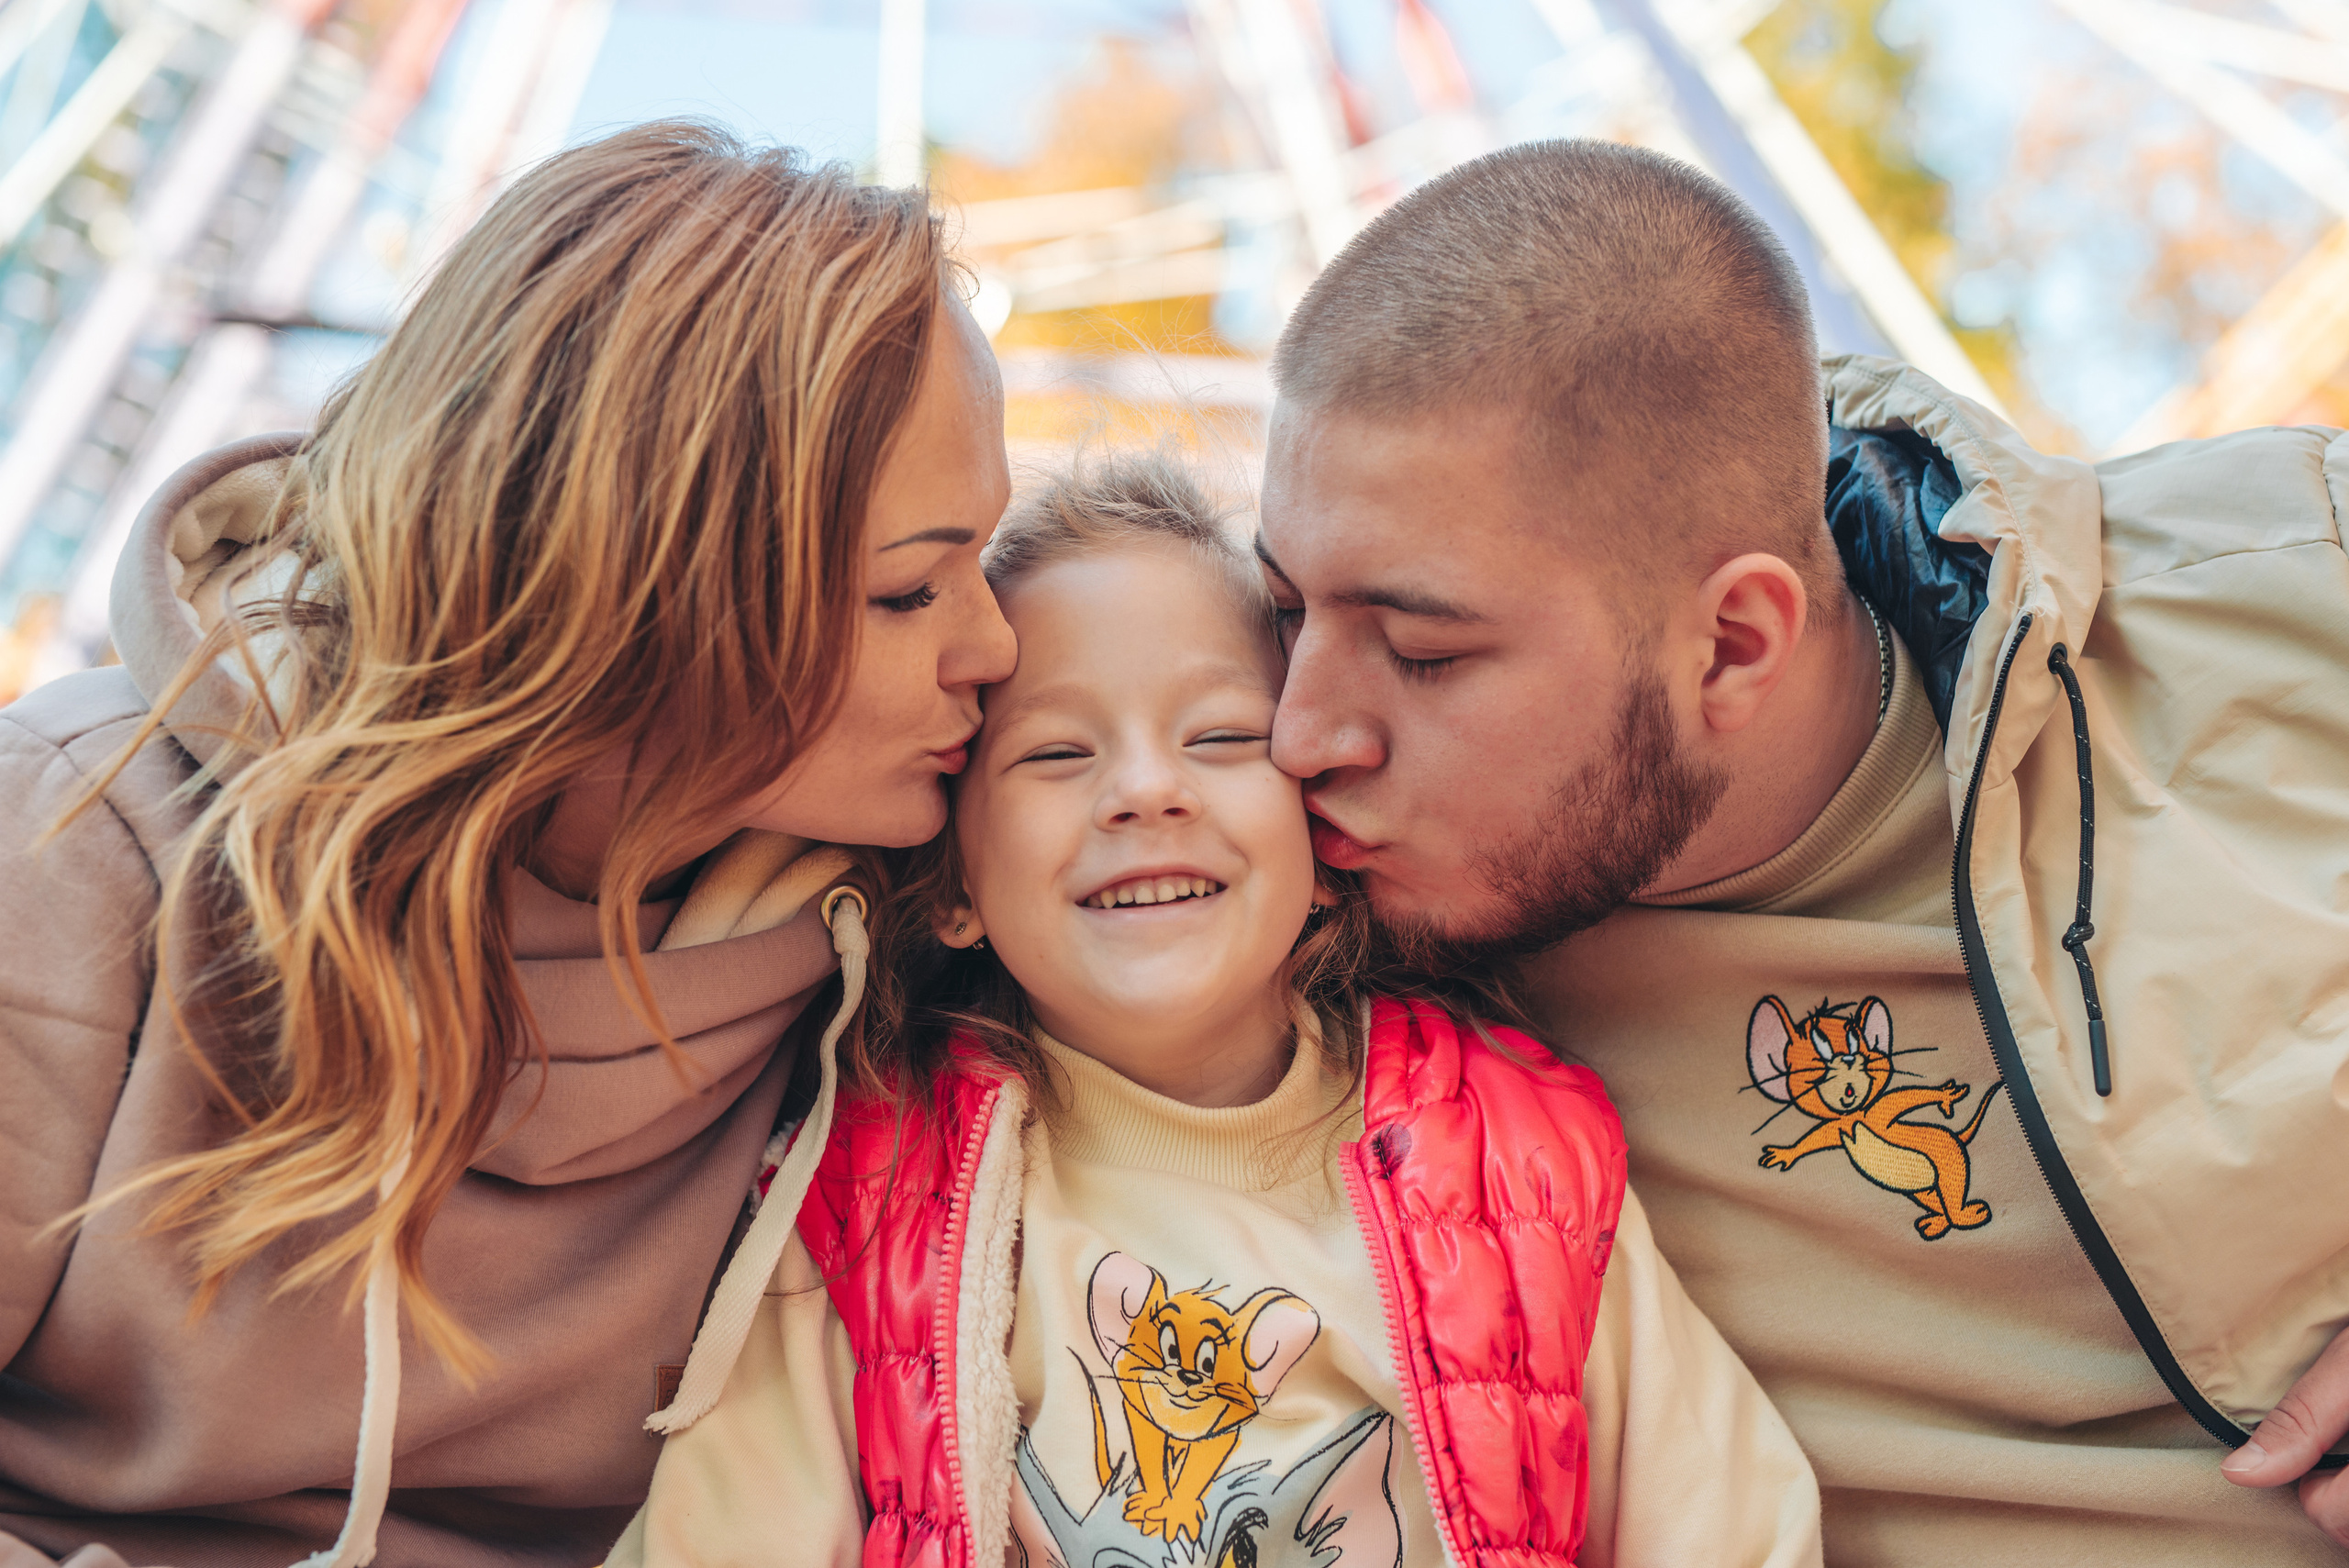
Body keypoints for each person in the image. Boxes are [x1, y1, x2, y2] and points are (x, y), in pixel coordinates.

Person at [1252, 138, 2349, 1566]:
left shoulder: (2293, 583)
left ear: (1733, 642)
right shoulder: (1296, 942)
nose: (1299, 731)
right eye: (1281, 609)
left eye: (1421, 651)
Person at [0, 121, 1016, 1567]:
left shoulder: (905, 943)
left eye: (986, 556)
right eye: (911, 592)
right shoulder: (72, 843)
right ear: (637, 583)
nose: (996, 641)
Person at [607, 451, 1824, 1568]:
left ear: (1319, 828)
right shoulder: (868, 1186)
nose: (1146, 789)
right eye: (1056, 755)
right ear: (958, 888)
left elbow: (1722, 1519)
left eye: (1223, 734)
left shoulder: (1515, 1153)